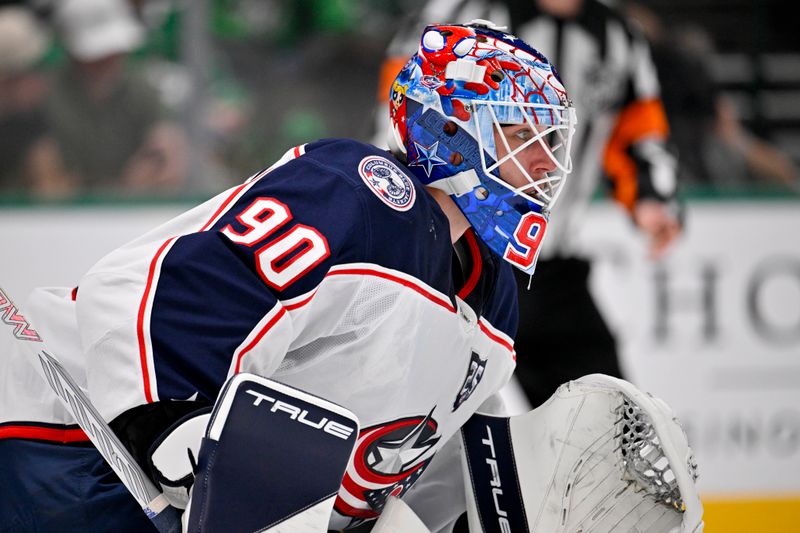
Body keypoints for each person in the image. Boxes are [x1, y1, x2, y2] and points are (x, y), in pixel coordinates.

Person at [1, 21, 701, 533]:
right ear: (451, 130)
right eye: (524, 136)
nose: (547, 166)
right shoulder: (361, 193)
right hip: (68, 449)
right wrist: (172, 428)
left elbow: (387, 483)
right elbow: (152, 294)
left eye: (553, 144)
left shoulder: (495, 307)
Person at [374, 0, 683, 409]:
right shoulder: (460, 10)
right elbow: (402, 111)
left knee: (609, 431)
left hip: (551, 269)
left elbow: (639, 132)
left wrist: (650, 198)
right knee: (413, 426)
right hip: (454, 255)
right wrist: (400, 210)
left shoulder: (619, 38)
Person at [43, 0, 187, 194]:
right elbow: (49, 185)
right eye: (99, 55)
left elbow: (165, 147)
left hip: (132, 210)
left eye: (113, 51)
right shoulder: (48, 97)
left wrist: (160, 162)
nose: (108, 60)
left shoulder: (141, 90)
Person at [0, 5, 72, 199]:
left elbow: (52, 191)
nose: (41, 80)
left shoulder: (30, 118)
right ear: (5, 77)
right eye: (33, 69)